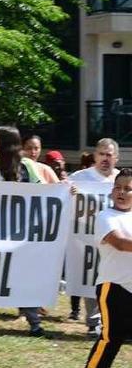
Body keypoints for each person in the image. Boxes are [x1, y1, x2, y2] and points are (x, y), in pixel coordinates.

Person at [0, 125, 45, 336]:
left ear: (4, 142)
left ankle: (33, 321)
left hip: (19, 231)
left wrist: (65, 190)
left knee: (21, 273)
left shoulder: (27, 166)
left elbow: (42, 190)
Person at [70, 138, 120, 337]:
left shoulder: (123, 179)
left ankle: (115, 322)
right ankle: (94, 322)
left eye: (109, 155)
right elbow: (62, 195)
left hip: (117, 241)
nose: (105, 158)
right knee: (91, 280)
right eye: (101, 154)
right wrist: (69, 191)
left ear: (116, 157)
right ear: (95, 156)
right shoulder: (80, 178)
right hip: (87, 240)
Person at [84, 168, 132, 368]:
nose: (121, 192)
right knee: (111, 338)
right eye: (118, 188)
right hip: (113, 288)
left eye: (127, 189)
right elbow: (120, 243)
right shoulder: (105, 216)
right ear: (112, 191)